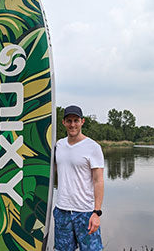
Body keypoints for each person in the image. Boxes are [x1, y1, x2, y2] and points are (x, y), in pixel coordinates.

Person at [54, 105, 104, 251]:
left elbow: (98, 181)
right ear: (63, 122)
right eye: (69, 121)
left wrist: (96, 212)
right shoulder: (59, 145)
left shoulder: (93, 147)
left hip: (85, 213)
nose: (72, 124)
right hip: (62, 211)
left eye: (76, 120)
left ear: (82, 121)